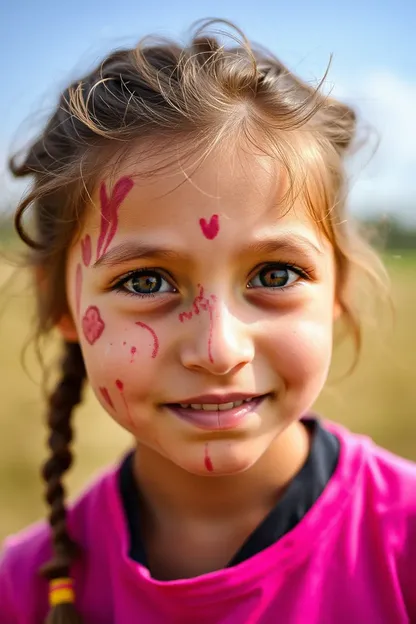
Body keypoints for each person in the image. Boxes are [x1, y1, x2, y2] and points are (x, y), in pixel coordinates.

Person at [0, 17, 415, 624]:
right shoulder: (22, 592)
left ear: (338, 291)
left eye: (274, 275)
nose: (219, 350)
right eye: (145, 282)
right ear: (63, 304)